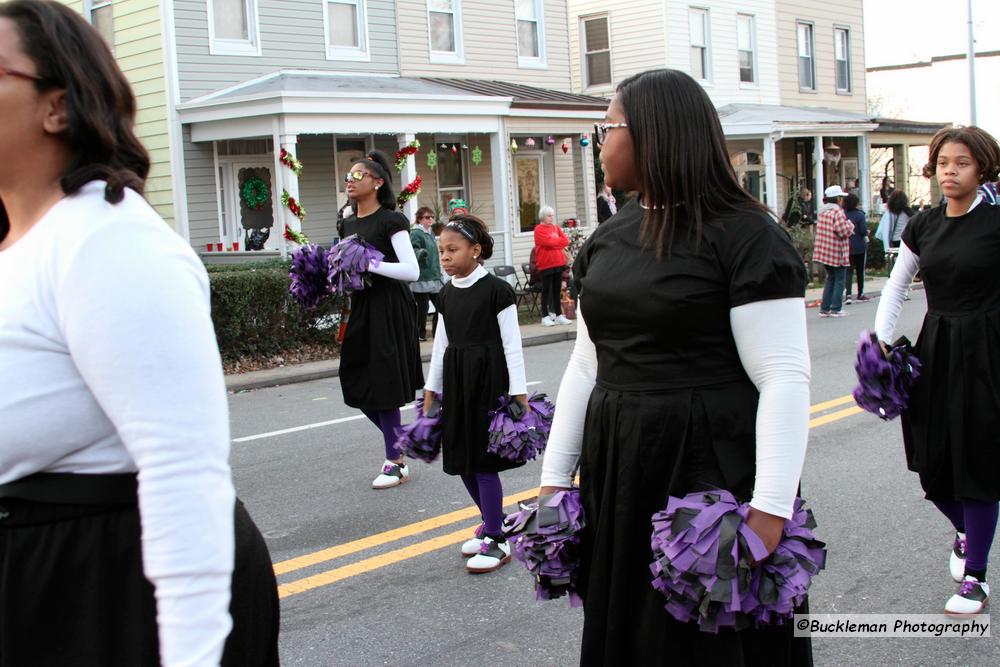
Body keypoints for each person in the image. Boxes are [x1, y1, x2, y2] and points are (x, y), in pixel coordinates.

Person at [0, 2, 278, 665]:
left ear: (58, 107)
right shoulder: (20, 245)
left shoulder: (106, 238)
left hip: (110, 594)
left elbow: (183, 471)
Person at [537, 69, 812, 665]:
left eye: (607, 126)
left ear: (653, 134)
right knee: (632, 632)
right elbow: (587, 364)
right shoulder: (608, 238)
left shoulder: (746, 236)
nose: (598, 141)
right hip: (620, 468)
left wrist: (769, 511)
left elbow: (784, 377)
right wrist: (555, 482)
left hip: (705, 469)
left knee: (706, 643)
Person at [873, 125, 1000, 615]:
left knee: (979, 464)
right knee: (931, 461)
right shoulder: (923, 225)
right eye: (944, 161)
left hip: (990, 350)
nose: (950, 169)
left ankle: (977, 578)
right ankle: (968, 530)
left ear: (982, 168)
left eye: (962, 162)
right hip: (938, 348)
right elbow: (896, 286)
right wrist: (881, 340)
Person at [423, 214, 528, 573]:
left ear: (476, 250)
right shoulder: (446, 293)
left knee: (483, 462)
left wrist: (518, 392)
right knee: (462, 459)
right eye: (441, 251)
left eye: (452, 249)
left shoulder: (497, 291)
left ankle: (498, 540)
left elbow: (512, 345)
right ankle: (491, 523)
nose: (446, 257)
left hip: (488, 381)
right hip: (457, 381)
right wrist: (432, 388)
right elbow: (441, 345)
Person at [339, 150, 424, 489]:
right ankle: (402, 441)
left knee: (384, 389)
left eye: (358, 175)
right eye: (349, 175)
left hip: (389, 308)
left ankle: (395, 461)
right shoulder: (346, 221)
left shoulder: (392, 220)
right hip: (360, 307)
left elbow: (412, 271)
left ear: (377, 182)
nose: (350, 179)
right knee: (355, 381)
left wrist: (370, 264)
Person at [812, 185, 854, 317]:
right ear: (838, 199)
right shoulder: (838, 212)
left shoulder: (822, 212)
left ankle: (824, 308)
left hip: (825, 252)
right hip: (837, 252)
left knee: (830, 279)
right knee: (839, 280)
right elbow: (842, 231)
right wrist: (850, 225)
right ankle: (836, 307)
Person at [532, 205, 572, 327]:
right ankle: (545, 316)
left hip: (558, 262)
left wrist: (555, 243)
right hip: (546, 263)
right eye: (549, 216)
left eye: (552, 215)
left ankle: (559, 315)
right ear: (543, 216)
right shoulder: (539, 229)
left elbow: (566, 240)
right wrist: (557, 243)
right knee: (546, 290)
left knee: (556, 289)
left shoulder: (555, 227)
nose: (551, 218)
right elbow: (547, 243)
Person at [409, 206, 442, 341]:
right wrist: (422, 253)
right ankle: (420, 334)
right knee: (423, 307)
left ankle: (437, 333)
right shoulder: (416, 233)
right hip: (422, 276)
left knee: (440, 305)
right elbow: (413, 249)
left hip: (434, 276)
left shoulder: (430, 233)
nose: (430, 220)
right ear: (420, 219)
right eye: (427, 217)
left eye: (432, 217)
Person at [842, 193, 870, 303]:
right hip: (859, 246)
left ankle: (848, 294)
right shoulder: (860, 215)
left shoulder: (843, 214)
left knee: (848, 271)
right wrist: (867, 232)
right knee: (860, 271)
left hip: (847, 245)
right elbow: (863, 231)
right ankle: (860, 293)